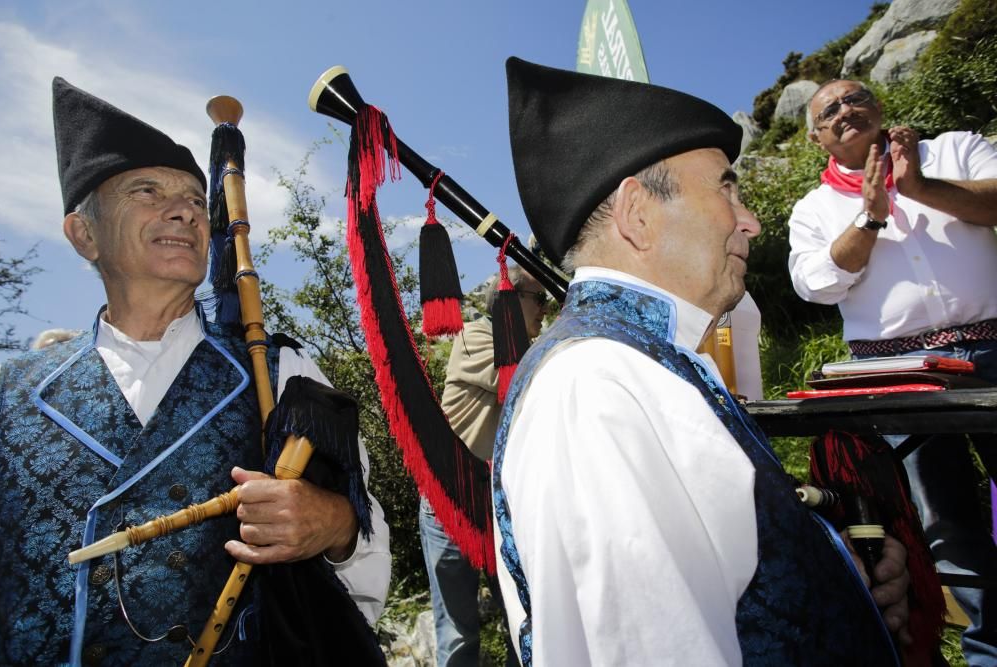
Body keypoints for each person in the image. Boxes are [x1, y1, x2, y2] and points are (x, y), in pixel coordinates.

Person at [492, 57, 911, 666]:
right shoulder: (597, 389)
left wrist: (831, 568)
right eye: (725, 186)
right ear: (638, 214)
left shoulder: (645, 365)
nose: (751, 221)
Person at [0, 78, 390, 665]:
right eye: (146, 192)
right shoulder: (13, 390)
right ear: (83, 234)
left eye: (193, 199)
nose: (183, 210)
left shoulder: (280, 373)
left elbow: (364, 542)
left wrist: (330, 521)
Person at [788, 78, 997, 663]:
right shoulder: (814, 209)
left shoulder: (953, 149)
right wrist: (870, 217)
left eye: (856, 99)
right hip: (895, 372)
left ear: (879, 109)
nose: (846, 110)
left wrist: (922, 187)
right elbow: (816, 285)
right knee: (947, 521)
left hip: (993, 348)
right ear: (816, 137)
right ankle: (990, 654)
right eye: (830, 109)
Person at [420, 266, 546, 666]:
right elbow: (527, 378)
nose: (545, 310)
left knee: (523, 620)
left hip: (497, 504)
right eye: (539, 299)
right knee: (457, 634)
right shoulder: (476, 338)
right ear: (510, 298)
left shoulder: (528, 348)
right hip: (450, 501)